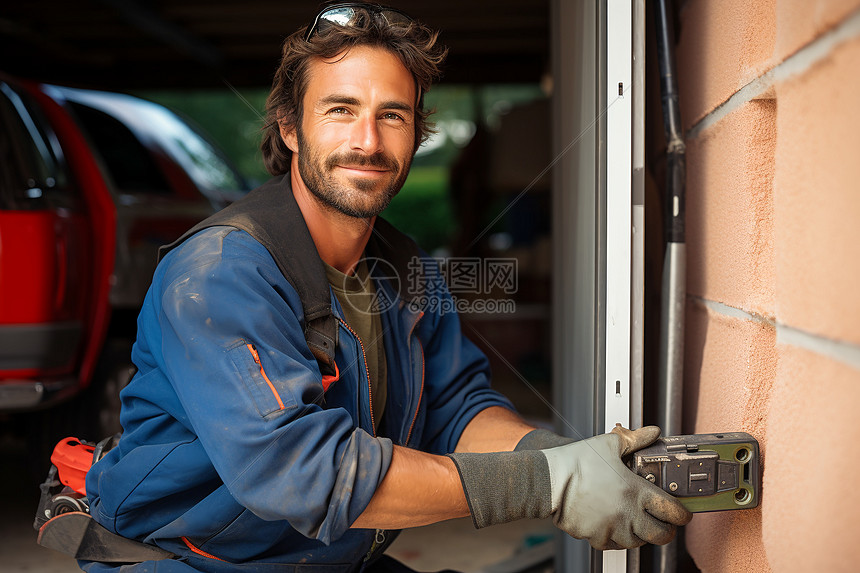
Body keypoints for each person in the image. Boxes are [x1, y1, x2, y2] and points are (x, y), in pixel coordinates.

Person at [81, 4, 691, 572]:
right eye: (340, 110)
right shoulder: (219, 272)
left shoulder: (403, 263)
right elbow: (300, 470)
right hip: (187, 560)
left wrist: (569, 459)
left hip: (323, 558)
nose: (368, 142)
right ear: (291, 129)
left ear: (415, 133)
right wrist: (547, 484)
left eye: (391, 115)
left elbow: (458, 410)